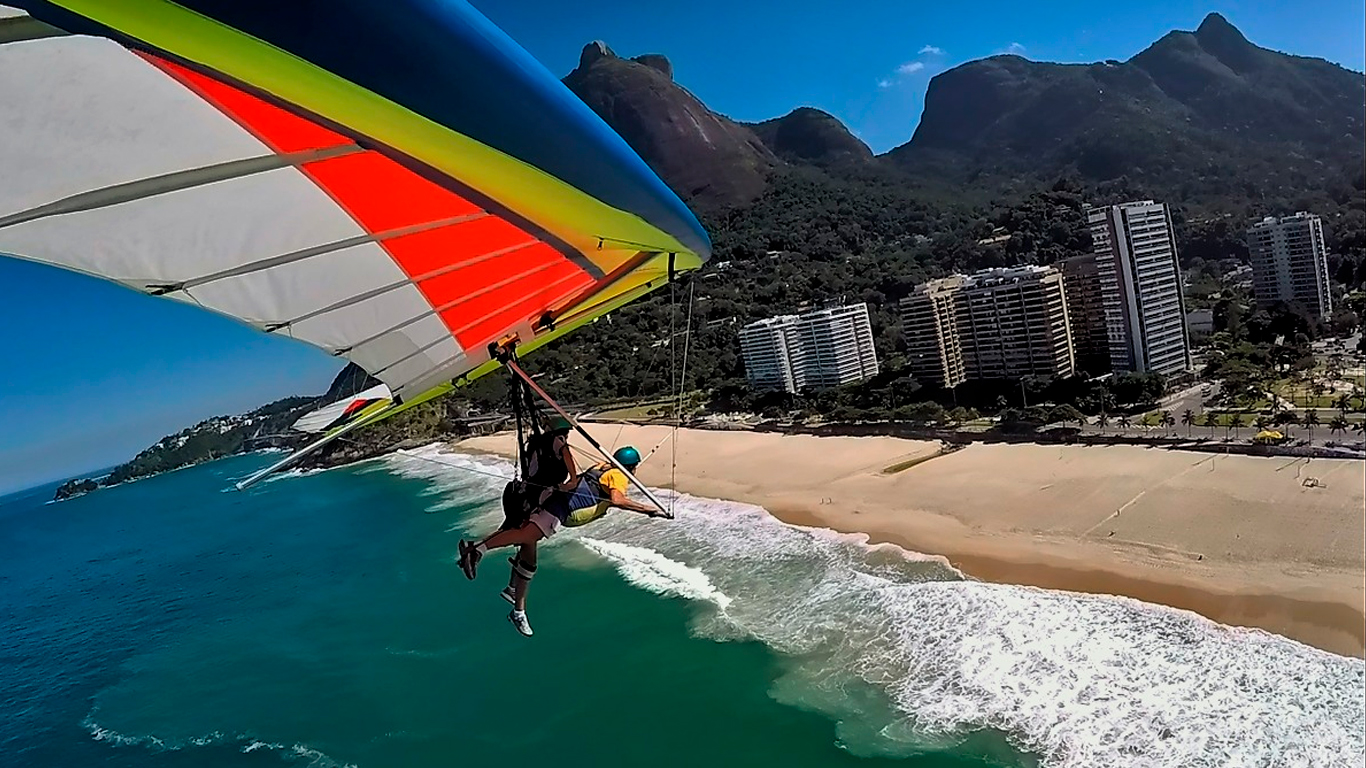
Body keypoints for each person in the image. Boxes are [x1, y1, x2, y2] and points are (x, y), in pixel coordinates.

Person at [458, 445, 666, 637]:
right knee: (527, 536)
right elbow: (617, 500)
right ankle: (476, 549)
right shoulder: (618, 475)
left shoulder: (602, 466)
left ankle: (516, 605)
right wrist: (647, 509)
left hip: (552, 501)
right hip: (561, 508)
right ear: (632, 467)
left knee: (529, 560)